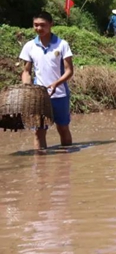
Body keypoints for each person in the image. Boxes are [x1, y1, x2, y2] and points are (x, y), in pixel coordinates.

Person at [19, 11, 74, 150]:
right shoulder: (29, 46)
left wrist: (56, 83)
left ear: (51, 25)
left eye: (42, 25)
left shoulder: (62, 45)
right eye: (35, 25)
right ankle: (40, 167)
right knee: (39, 132)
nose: (39, 28)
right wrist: (27, 88)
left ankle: (66, 163)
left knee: (62, 128)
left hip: (60, 94)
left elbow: (69, 71)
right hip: (39, 97)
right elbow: (26, 71)